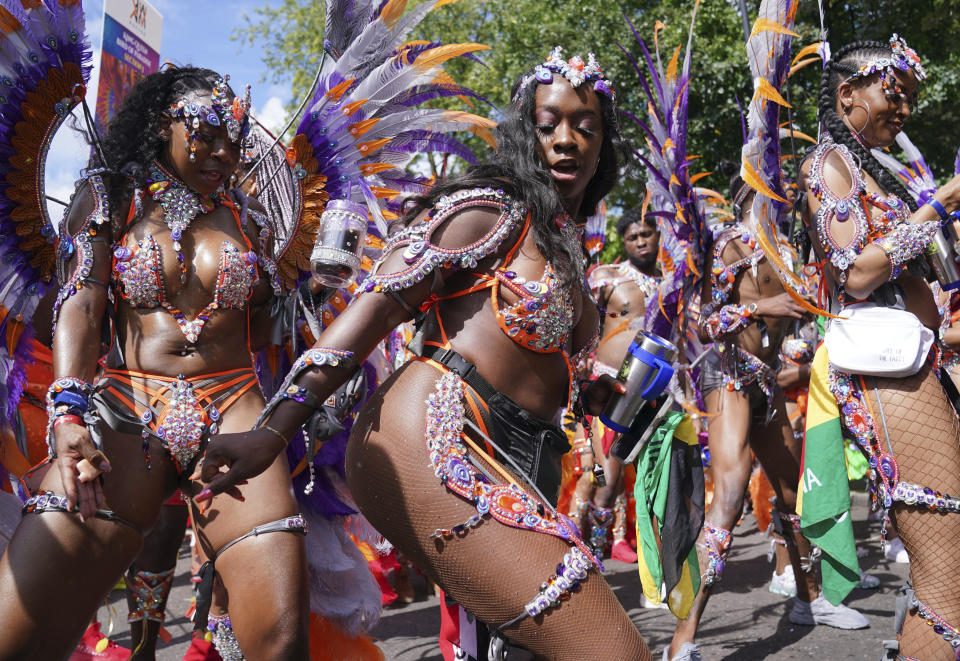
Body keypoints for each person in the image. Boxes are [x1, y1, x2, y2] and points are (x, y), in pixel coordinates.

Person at [196, 48, 654, 660]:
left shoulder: (566, 244)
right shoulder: (488, 211)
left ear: (604, 144)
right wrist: (272, 433)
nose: (567, 141)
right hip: (442, 437)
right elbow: (369, 314)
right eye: (549, 126)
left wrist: (589, 388)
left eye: (585, 127)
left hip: (524, 455)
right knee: (611, 651)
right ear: (525, 133)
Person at [0, 68, 311, 659]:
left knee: (279, 639)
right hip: (125, 416)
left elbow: (273, 322)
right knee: (18, 629)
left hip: (234, 409)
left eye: (234, 139)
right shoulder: (112, 195)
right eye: (207, 133)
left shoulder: (253, 217)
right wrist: (67, 413)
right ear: (162, 124)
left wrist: (305, 297)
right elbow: (82, 300)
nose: (224, 152)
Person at [799, 36, 960, 661]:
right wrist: (940, 203)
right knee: (948, 577)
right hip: (885, 374)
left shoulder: (867, 171)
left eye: (910, 101)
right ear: (848, 95)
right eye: (894, 95)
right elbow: (857, 272)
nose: (905, 112)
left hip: (917, 362)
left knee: (943, 574)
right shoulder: (825, 166)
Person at [663, 177, 869, 661]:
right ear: (745, 195)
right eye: (769, 192)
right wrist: (763, 306)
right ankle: (683, 641)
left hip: (767, 380)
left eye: (787, 194)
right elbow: (700, 323)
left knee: (794, 494)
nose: (783, 201)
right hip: (726, 375)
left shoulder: (791, 252)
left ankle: (809, 600)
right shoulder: (728, 242)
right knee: (730, 495)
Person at [569, 208, 660, 562]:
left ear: (657, 236)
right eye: (633, 236)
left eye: (646, 234)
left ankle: (658, 566)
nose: (641, 241)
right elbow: (578, 324)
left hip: (658, 395)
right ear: (623, 243)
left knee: (657, 485)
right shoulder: (606, 278)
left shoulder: (671, 281)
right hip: (612, 391)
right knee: (604, 483)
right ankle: (591, 559)